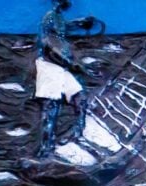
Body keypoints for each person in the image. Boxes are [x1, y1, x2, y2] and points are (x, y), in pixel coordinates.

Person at [35, 0, 99, 157]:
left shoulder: (57, 17)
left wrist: (80, 23)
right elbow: (50, 46)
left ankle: (77, 135)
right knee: (50, 109)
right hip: (50, 68)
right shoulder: (49, 18)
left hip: (62, 69)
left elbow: (64, 27)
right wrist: (74, 64)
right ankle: (45, 149)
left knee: (80, 98)